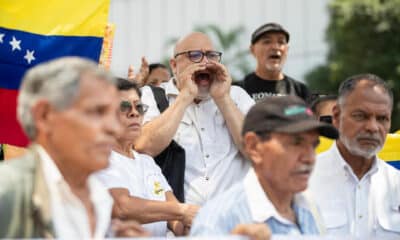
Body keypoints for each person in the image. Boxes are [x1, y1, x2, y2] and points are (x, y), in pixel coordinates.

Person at [0, 57, 149, 238]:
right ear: (45, 116)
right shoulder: (7, 191)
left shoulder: (99, 198)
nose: (114, 127)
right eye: (97, 112)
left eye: (113, 114)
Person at [135, 32, 255, 205]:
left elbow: (257, 151)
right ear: (174, 65)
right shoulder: (151, 95)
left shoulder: (236, 95)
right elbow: (143, 146)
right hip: (178, 224)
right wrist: (185, 96)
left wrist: (223, 99)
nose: (205, 63)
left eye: (211, 56)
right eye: (195, 56)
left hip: (234, 218)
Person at [191, 95, 338, 235]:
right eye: (296, 143)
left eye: (313, 145)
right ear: (254, 146)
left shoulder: (309, 208)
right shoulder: (218, 220)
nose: (309, 157)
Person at [96, 78, 199, 236]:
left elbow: (175, 220)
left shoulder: (146, 162)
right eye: (124, 106)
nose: (134, 113)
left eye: (139, 107)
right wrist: (183, 211)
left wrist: (189, 225)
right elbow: (123, 208)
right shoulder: (100, 157)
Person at [309, 74, 400, 239]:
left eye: (382, 118)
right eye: (360, 116)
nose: (373, 127)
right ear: (336, 116)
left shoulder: (396, 185)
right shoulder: (302, 182)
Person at [236, 22, 310, 102]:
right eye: (267, 42)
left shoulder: (301, 92)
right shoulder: (238, 90)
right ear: (252, 50)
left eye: (281, 42)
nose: (275, 47)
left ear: (287, 50)